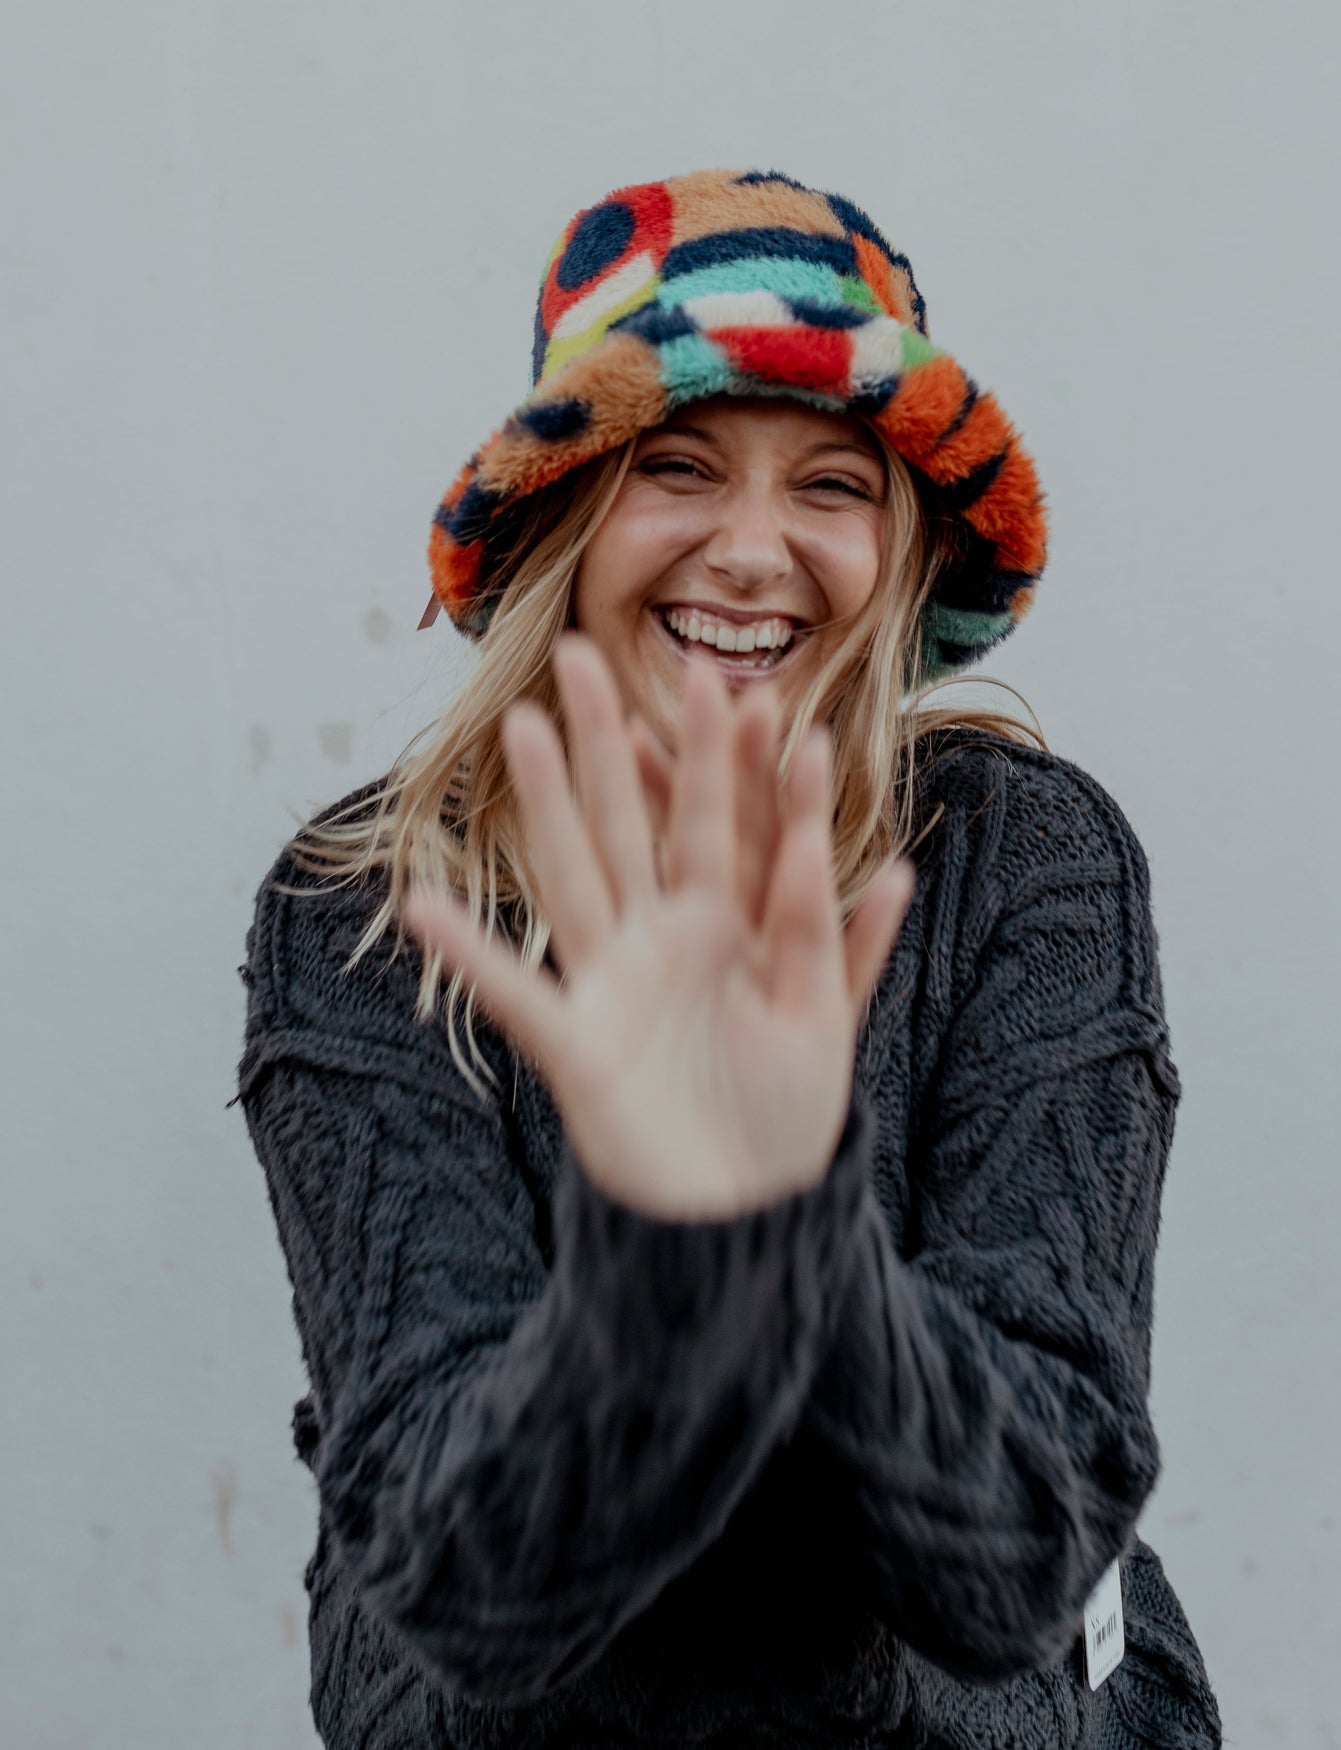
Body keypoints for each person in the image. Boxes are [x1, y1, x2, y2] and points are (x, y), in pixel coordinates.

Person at [234, 168, 1224, 1748]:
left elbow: (1018, 1551)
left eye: (832, 485)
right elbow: (472, 1583)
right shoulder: (366, 907)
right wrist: (664, 1273)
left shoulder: (1018, 861)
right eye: (679, 463)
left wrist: (788, 1232)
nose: (754, 551)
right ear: (562, 509)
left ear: (900, 545)